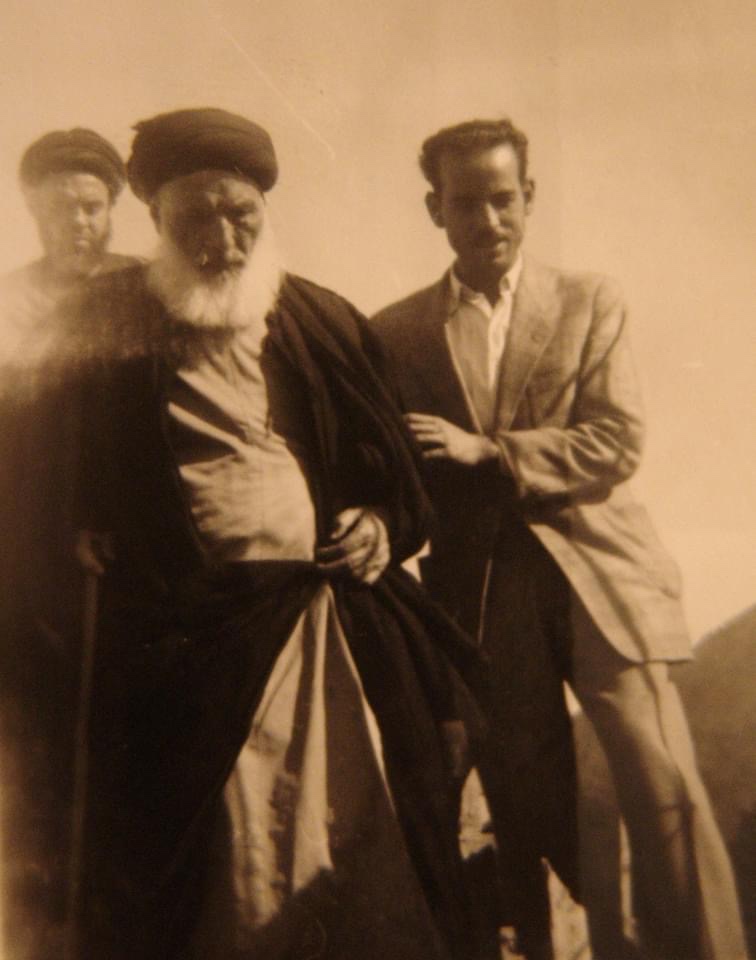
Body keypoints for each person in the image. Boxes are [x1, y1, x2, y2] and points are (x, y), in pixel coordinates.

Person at [64, 108, 483, 960]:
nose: (222, 239)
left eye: (241, 214)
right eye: (195, 218)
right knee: (224, 871)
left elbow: (400, 477)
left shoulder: (322, 320)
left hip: (326, 625)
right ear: (156, 218)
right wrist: (77, 525)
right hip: (190, 639)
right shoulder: (103, 326)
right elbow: (52, 465)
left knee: (366, 842)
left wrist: (381, 524)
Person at [369, 118, 747, 960]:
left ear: (530, 198)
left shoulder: (588, 300)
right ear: (435, 209)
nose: (489, 220)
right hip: (485, 599)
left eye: (504, 199)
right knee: (533, 808)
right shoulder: (394, 332)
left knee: (663, 786)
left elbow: (616, 439)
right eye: (466, 203)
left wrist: (491, 452)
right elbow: (394, 472)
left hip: (601, 578)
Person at [0, 128, 136, 959]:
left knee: (124, 735)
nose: (77, 225)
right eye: (59, 211)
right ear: (31, 210)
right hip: (30, 535)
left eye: (91, 207)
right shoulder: (11, 300)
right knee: (41, 739)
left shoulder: (142, 289)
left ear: (113, 208)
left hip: (133, 541)